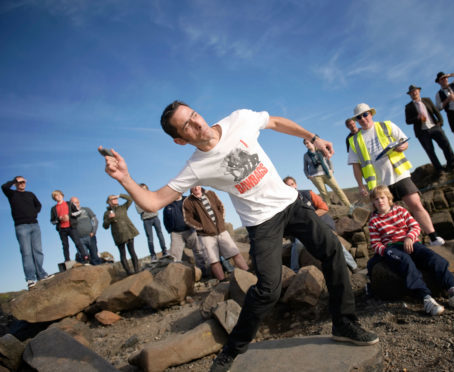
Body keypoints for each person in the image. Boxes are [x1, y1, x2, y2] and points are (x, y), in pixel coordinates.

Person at [100, 101, 379, 372]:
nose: (197, 122)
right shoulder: (196, 167)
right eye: (186, 125)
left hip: (290, 204)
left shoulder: (239, 119)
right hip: (261, 223)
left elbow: (277, 122)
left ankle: (344, 323)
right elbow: (153, 202)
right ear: (180, 140)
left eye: (194, 114)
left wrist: (313, 137)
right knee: (268, 289)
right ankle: (233, 348)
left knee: (331, 250)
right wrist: (124, 178)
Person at [348, 102, 445, 246]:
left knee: (416, 204)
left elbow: (404, 142)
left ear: (371, 114)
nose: (363, 119)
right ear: (356, 120)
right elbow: (356, 166)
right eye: (359, 117)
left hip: (399, 174)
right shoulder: (354, 140)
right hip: (378, 184)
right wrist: (361, 186)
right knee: (385, 217)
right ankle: (395, 245)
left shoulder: (386, 125)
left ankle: (433, 237)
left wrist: (402, 146)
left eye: (365, 114)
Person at [367, 185, 454, 315]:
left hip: (410, 242)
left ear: (388, 198)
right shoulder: (374, 220)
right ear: (373, 202)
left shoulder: (400, 210)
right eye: (376, 199)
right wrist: (385, 252)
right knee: (406, 263)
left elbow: (415, 226)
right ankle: (426, 299)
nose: (380, 201)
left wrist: (409, 238)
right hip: (392, 247)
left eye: (382, 197)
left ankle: (453, 293)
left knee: (435, 259)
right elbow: (375, 243)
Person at [283, 176, 358, 273]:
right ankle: (295, 270)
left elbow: (324, 208)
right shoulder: (286, 204)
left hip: (320, 225)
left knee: (333, 241)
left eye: (292, 184)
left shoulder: (308, 194)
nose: (291, 187)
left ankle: (354, 266)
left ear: (296, 184)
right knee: (297, 244)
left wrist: (309, 216)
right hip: (303, 231)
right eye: (288, 186)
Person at [183, 186, 249, 281]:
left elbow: (220, 206)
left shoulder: (210, 193)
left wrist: (221, 221)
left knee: (235, 253)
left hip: (221, 231)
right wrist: (203, 227)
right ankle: (223, 281)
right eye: (193, 187)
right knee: (214, 260)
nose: (196, 188)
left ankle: (247, 272)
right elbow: (188, 219)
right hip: (206, 235)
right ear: (190, 188)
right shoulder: (188, 201)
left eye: (197, 185)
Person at [2, 176, 52, 289]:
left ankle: (42, 274)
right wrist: (14, 180)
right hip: (21, 226)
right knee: (26, 252)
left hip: (34, 225)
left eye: (24, 182)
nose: (22, 184)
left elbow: (38, 205)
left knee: (38, 251)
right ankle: (30, 278)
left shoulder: (30, 194)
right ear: (15, 183)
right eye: (19, 182)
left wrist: (34, 213)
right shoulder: (12, 194)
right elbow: (4, 187)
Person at [404, 85, 454, 172]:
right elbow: (407, 121)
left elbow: (436, 111)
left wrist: (440, 122)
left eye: (415, 91)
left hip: (434, 127)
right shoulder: (408, 107)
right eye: (412, 92)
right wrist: (417, 118)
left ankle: (452, 164)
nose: (414, 93)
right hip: (422, 132)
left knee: (446, 145)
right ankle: (439, 170)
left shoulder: (427, 100)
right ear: (410, 95)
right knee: (430, 151)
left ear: (419, 91)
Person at [303, 138, 352, 207]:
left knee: (337, 189)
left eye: (307, 143)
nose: (306, 145)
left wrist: (331, 169)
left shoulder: (321, 151)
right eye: (305, 144)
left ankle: (349, 205)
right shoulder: (306, 155)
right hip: (315, 176)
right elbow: (305, 168)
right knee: (324, 193)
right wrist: (308, 176)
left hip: (327, 173)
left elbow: (329, 160)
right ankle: (330, 208)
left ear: (312, 143)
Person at [163, 194, 206, 269]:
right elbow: (165, 219)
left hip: (190, 230)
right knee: (175, 256)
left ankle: (203, 270)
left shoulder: (188, 200)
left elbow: (197, 212)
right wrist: (170, 230)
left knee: (198, 250)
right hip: (176, 233)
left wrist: (197, 225)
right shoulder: (168, 204)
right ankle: (178, 275)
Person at [102, 194, 139, 275]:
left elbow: (130, 199)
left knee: (132, 251)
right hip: (118, 235)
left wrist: (120, 195)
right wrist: (109, 218)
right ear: (109, 202)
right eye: (113, 199)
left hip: (129, 231)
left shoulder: (123, 207)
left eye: (116, 198)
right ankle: (128, 272)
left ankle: (137, 270)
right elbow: (105, 226)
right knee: (122, 254)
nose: (115, 200)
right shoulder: (106, 213)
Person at [50, 190, 88, 263]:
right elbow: (52, 221)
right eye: (56, 196)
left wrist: (69, 216)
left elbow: (78, 212)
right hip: (62, 229)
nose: (58, 196)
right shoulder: (53, 209)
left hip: (71, 227)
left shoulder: (69, 204)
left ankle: (85, 256)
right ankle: (67, 259)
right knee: (65, 245)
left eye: (59, 195)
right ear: (54, 198)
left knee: (77, 242)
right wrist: (59, 219)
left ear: (62, 195)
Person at [135, 183, 168, 261]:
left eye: (145, 188)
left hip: (155, 217)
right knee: (150, 238)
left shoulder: (151, 196)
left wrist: (147, 206)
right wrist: (149, 206)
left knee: (160, 235)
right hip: (146, 220)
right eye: (142, 189)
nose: (144, 190)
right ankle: (153, 255)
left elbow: (155, 205)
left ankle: (164, 251)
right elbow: (139, 210)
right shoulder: (137, 200)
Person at [70, 197, 102, 265]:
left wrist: (93, 232)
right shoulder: (70, 214)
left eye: (77, 202)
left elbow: (95, 220)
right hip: (79, 239)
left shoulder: (86, 209)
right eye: (74, 203)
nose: (76, 204)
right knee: (85, 257)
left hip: (90, 236)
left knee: (94, 255)